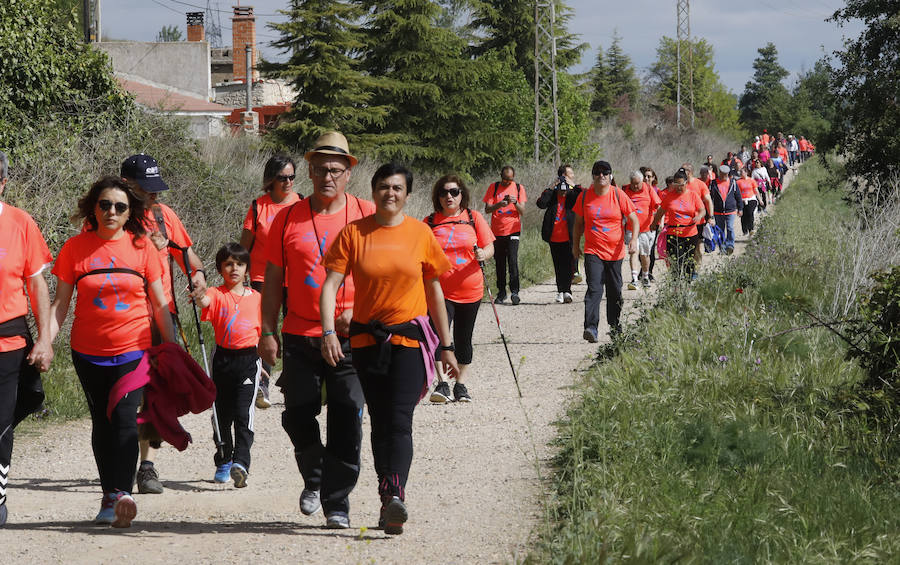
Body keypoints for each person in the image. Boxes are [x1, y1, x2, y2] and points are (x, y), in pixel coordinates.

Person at [320, 163, 459, 535]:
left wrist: (447, 346)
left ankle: (395, 490)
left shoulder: (421, 234)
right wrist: (329, 332)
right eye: (383, 187)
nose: (390, 194)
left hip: (409, 342)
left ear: (407, 195)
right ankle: (388, 498)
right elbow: (330, 284)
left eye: (397, 188)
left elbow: (435, 292)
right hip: (366, 342)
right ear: (374, 191)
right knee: (381, 422)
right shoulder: (354, 233)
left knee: (399, 421)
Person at [258, 131, 374, 529]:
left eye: (336, 170)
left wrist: (357, 312)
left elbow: (384, 274)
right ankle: (317, 472)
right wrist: (267, 330)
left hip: (350, 335)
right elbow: (273, 280)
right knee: (297, 415)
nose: (328, 176)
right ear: (308, 170)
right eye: (321, 169)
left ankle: (337, 502)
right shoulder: (286, 217)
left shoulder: (366, 214)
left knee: (346, 413)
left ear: (348, 173)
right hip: (299, 333)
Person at [49, 176, 175, 527]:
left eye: (120, 207)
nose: (111, 212)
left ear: (129, 212)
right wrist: (46, 342)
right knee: (102, 422)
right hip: (87, 352)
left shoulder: (142, 248)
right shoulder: (75, 249)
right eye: (105, 204)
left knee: (123, 420)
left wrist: (172, 347)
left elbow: (160, 304)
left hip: (134, 349)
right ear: (94, 207)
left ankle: (122, 494)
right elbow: (61, 304)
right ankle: (109, 495)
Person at [120, 153, 207, 496]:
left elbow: (187, 255)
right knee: (124, 393)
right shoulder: (112, 215)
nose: (154, 196)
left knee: (154, 394)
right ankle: (119, 460)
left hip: (161, 316)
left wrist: (197, 277)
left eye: (157, 189)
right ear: (128, 184)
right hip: (122, 316)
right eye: (147, 189)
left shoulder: (162, 215)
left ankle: (146, 467)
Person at [0, 151, 54, 527]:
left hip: (9, 340)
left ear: (2, 182)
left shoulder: (20, 223)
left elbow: (37, 285)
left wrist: (45, 340)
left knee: (3, 418)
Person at [192, 243, 261, 488]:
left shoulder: (257, 298)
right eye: (228, 264)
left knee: (244, 414)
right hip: (222, 360)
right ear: (221, 268)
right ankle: (223, 459)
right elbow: (205, 301)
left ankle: (241, 463)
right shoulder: (217, 293)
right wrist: (199, 293)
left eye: (240, 264)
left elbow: (264, 332)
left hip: (248, 360)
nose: (234, 269)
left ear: (247, 269)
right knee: (221, 415)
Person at [425, 175, 494, 403]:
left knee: (464, 339)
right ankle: (442, 383)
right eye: (444, 192)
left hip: (471, 290)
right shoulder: (430, 222)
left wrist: (483, 254)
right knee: (436, 338)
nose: (449, 196)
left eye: (454, 192)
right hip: (439, 292)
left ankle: (461, 385)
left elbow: (489, 246)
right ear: (438, 197)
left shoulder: (474, 218)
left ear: (462, 194)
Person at [240, 154, 301, 410]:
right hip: (261, 278)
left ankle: (292, 384)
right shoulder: (258, 207)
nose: (287, 182)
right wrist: (239, 277)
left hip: (294, 278)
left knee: (293, 331)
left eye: (291, 177)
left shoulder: (302, 206)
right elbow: (243, 247)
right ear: (271, 179)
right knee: (265, 330)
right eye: (282, 177)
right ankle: (261, 383)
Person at [572, 160, 639, 343]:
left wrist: (633, 240)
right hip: (593, 251)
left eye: (605, 172)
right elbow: (578, 224)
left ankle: (615, 326)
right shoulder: (584, 197)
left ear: (611, 176)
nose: (601, 176)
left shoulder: (619, 195)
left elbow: (634, 220)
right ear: (593, 175)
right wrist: (575, 246)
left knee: (615, 291)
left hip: (615, 253)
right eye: (597, 172)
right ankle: (591, 328)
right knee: (594, 289)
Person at [536, 164, 582, 304]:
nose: (570, 177)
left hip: (569, 234)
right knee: (558, 264)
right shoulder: (552, 194)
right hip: (554, 235)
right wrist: (552, 186)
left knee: (568, 264)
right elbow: (541, 203)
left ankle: (567, 291)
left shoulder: (573, 194)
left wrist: (572, 185)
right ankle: (560, 291)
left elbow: (583, 197)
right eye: (568, 175)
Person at [650, 169, 706, 280]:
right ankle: (676, 290)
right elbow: (661, 211)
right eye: (676, 184)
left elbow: (702, 210)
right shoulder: (669, 196)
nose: (679, 187)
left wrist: (699, 216)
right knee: (675, 264)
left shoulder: (693, 195)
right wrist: (653, 224)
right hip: (673, 235)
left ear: (686, 182)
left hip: (690, 234)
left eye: (681, 184)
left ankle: (687, 287)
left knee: (688, 263)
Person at [482, 166, 527, 305]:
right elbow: (487, 209)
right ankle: (501, 292)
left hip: (513, 230)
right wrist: (499, 204)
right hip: (497, 231)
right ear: (500, 176)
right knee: (500, 262)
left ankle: (515, 292)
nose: (508, 182)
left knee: (512, 261)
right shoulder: (493, 187)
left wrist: (515, 203)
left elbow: (523, 211)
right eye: (505, 179)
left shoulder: (519, 188)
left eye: (510, 180)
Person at [622, 171, 661, 289]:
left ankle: (645, 276)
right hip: (631, 229)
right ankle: (634, 279)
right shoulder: (625, 190)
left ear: (642, 181)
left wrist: (660, 221)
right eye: (633, 184)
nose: (635, 186)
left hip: (646, 229)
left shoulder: (648, 189)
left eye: (637, 183)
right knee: (633, 252)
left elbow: (658, 206)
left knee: (645, 255)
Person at [682, 163, 714, 281]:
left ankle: (695, 269)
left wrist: (711, 217)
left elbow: (708, 201)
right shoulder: (681, 185)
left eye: (683, 170)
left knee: (695, 248)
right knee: (685, 248)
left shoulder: (700, 185)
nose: (681, 172)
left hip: (698, 222)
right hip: (682, 222)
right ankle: (686, 269)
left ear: (689, 172)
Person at [710, 165, 744, 254]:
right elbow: (710, 198)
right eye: (723, 174)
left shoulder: (733, 182)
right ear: (720, 173)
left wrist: (740, 208)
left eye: (726, 174)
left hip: (731, 210)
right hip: (718, 211)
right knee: (720, 230)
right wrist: (710, 212)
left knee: (730, 227)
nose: (724, 176)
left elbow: (738, 196)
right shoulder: (713, 183)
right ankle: (722, 247)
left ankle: (730, 245)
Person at [641, 167, 661, 282]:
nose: (646, 178)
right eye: (645, 176)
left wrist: (661, 221)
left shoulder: (656, 191)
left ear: (653, 178)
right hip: (641, 224)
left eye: (649, 176)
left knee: (650, 249)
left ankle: (649, 272)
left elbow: (661, 207)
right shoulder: (638, 188)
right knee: (640, 250)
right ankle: (643, 271)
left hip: (653, 223)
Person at [736, 167, 761, 236]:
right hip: (742, 200)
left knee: (750, 213)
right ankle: (745, 230)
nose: (741, 174)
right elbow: (736, 193)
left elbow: (756, 191)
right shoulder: (738, 182)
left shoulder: (752, 180)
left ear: (746, 173)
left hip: (751, 199)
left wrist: (760, 200)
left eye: (742, 172)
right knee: (743, 215)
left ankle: (751, 229)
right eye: (740, 173)